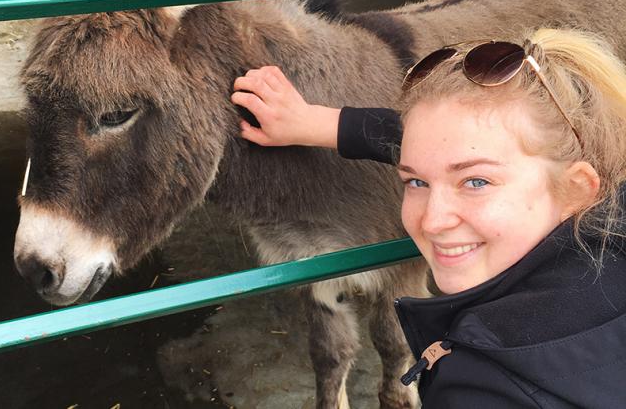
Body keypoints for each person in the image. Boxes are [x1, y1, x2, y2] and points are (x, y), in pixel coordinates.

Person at [231, 29, 626, 408]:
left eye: (475, 181)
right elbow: (449, 146)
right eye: (416, 180)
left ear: (577, 187)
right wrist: (321, 124)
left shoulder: (479, 388)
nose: (432, 221)